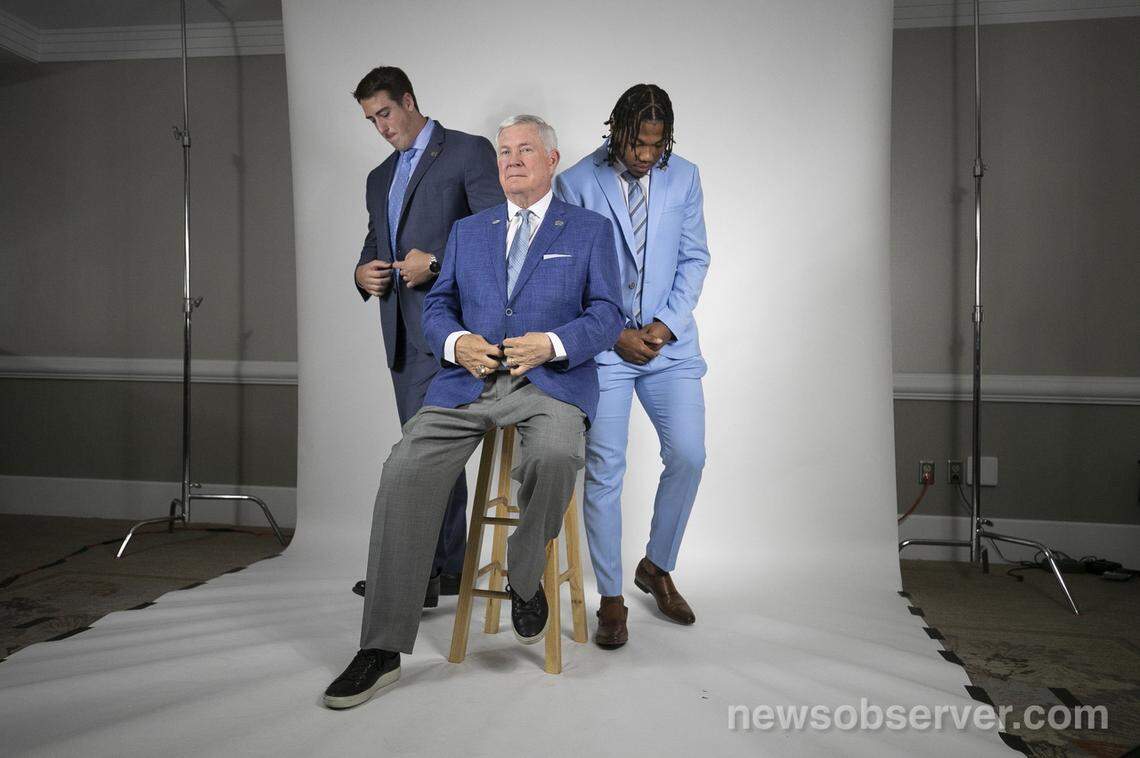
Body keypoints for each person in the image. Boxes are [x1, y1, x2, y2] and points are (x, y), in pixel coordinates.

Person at [323, 115, 623, 709]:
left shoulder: (588, 230)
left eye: (525, 150)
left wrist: (553, 345)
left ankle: (522, 567)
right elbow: (438, 306)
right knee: (404, 467)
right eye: (505, 150)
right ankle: (380, 649)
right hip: (467, 385)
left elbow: (608, 314)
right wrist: (457, 343)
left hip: (549, 383)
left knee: (560, 453)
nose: (512, 159)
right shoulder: (469, 230)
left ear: (553, 159)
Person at [554, 84, 710, 649]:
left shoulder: (685, 176)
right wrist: (614, 333)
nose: (646, 156)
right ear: (615, 130)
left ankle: (657, 565)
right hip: (606, 349)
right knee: (606, 470)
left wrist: (664, 326)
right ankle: (613, 598)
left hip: (670, 346)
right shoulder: (575, 182)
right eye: (637, 143)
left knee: (689, 455)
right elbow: (567, 276)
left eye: (656, 145)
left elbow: (695, 257)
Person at [351, 66, 503, 604]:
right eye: (371, 120)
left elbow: (498, 232)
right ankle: (439, 571)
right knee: (423, 458)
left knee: (430, 457)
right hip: (401, 335)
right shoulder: (377, 177)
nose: (381, 128)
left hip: (457, 332)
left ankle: (427, 572)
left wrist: (436, 263)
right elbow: (376, 243)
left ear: (409, 101)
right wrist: (362, 272)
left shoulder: (467, 151)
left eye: (385, 113)